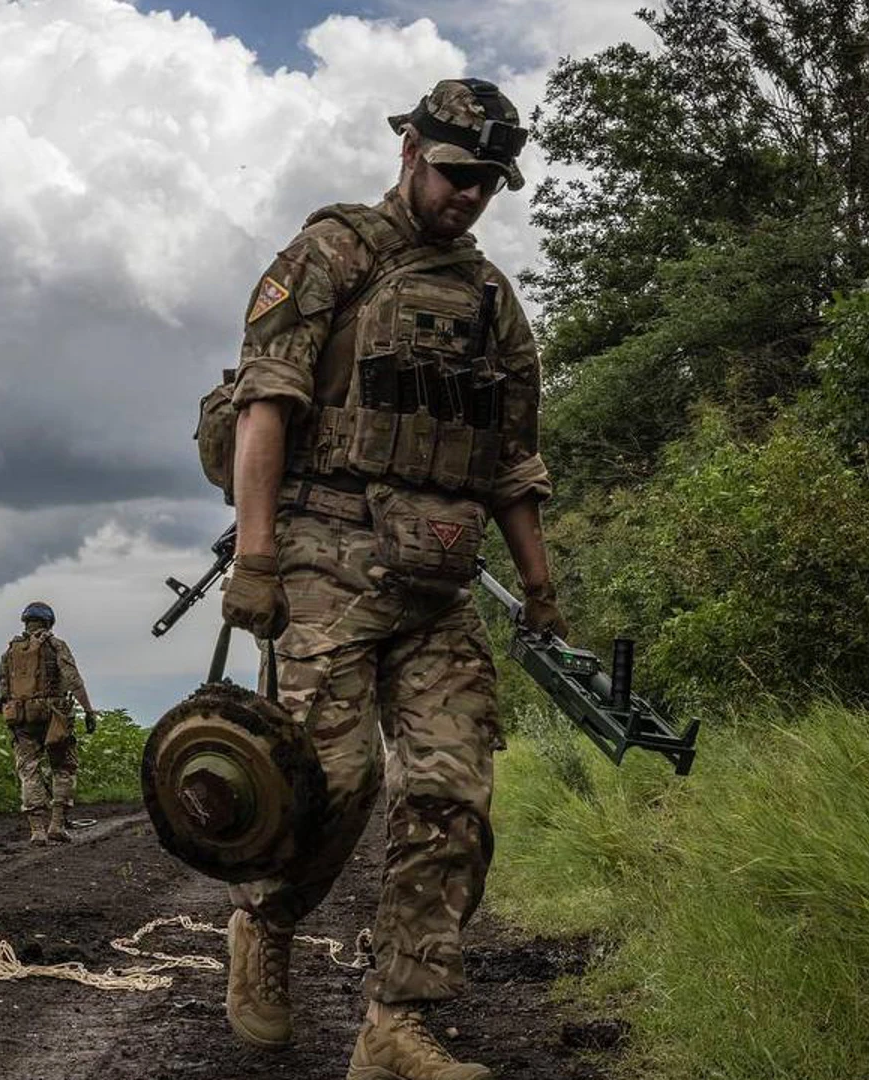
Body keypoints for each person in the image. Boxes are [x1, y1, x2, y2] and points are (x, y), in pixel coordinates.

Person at [215, 79, 570, 1080]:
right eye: (457, 173)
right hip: (324, 558)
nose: (470, 196)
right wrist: (256, 555)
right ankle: (265, 923)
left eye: (490, 183)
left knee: (454, 792)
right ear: (411, 148)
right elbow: (265, 405)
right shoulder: (328, 254)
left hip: (439, 580)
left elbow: (513, 463)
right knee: (335, 782)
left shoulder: (495, 302)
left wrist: (541, 590)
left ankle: (396, 1025)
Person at [0, 601, 99, 846]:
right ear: (49, 622)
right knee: (63, 768)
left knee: (28, 771)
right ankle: (57, 825)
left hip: (21, 718)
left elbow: (2, 690)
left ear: (26, 622)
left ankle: (37, 830)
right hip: (55, 717)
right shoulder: (56, 646)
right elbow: (74, 680)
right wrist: (88, 710)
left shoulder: (10, 652)